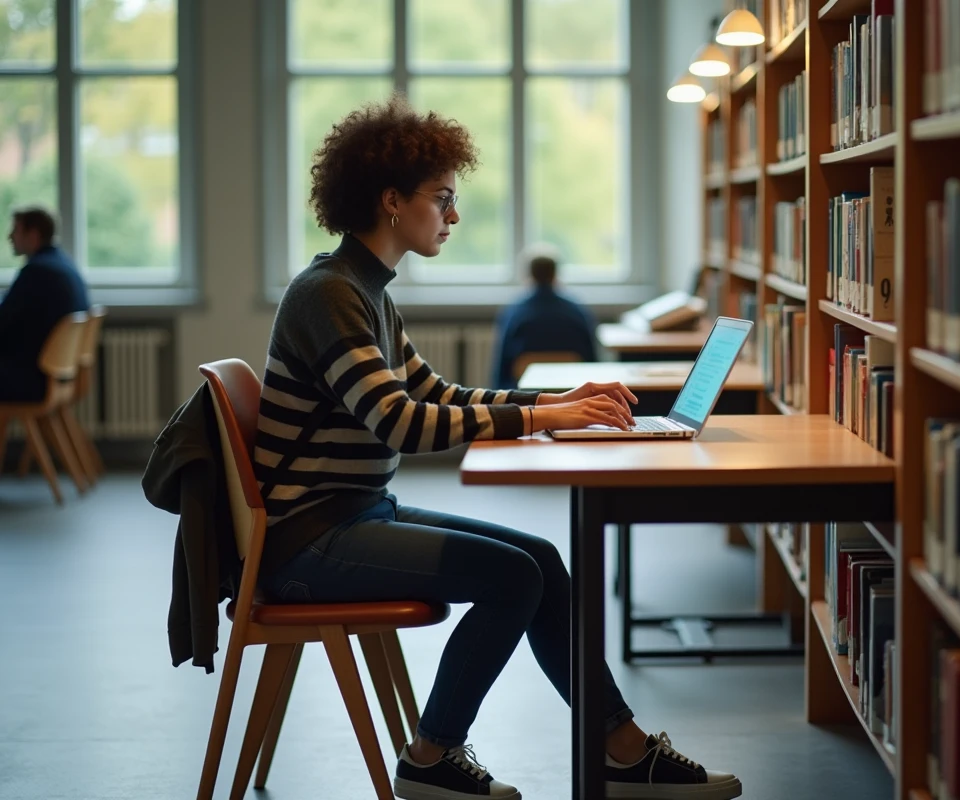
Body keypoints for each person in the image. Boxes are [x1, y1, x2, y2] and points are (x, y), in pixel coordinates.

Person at [254, 94, 742, 800]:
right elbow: (403, 423)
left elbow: (440, 394)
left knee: (540, 559)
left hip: (354, 513)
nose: (453, 216)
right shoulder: (328, 294)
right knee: (513, 578)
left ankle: (620, 748)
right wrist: (542, 420)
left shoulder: (364, 291)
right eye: (442, 199)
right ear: (392, 200)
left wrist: (553, 406)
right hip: (310, 541)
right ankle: (432, 756)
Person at [0, 207, 89, 402]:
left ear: (33, 235)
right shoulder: (65, 266)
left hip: (33, 379)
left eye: (15, 230)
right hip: (59, 374)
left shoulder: (37, 272)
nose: (9, 237)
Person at [491, 244, 597, 389]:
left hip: (525, 395)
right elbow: (592, 359)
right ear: (555, 274)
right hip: (571, 389)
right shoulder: (576, 310)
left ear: (529, 274)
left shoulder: (514, 312)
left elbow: (502, 365)